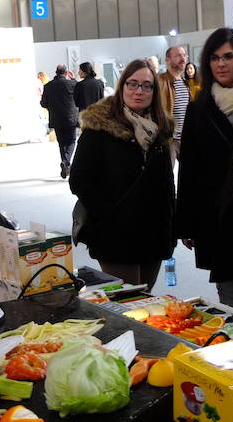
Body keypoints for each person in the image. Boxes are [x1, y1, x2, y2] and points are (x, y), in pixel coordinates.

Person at [176, 29, 233, 315]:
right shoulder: (199, 109)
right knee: (229, 301)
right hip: (215, 215)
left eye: (229, 56)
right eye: (214, 58)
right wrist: (186, 223)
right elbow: (188, 168)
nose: (221, 64)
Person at [69, 59, 175, 286]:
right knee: (126, 300)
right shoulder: (100, 127)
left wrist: (170, 224)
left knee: (145, 300)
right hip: (115, 234)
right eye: (132, 84)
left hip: (153, 232)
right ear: (122, 86)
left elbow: (167, 181)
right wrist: (109, 214)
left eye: (147, 86)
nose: (139, 91)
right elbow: (78, 180)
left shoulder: (159, 128)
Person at [41, 63, 79, 178]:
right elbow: (79, 94)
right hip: (71, 118)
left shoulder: (48, 86)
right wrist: (74, 79)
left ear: (56, 72)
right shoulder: (72, 84)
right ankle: (66, 162)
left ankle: (65, 162)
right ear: (66, 72)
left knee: (61, 143)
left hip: (56, 119)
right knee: (72, 141)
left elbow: (43, 103)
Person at [158, 46, 190, 153]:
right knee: (166, 169)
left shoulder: (185, 83)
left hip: (185, 137)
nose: (183, 58)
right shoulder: (160, 81)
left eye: (184, 55)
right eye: (178, 55)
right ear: (167, 60)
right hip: (169, 139)